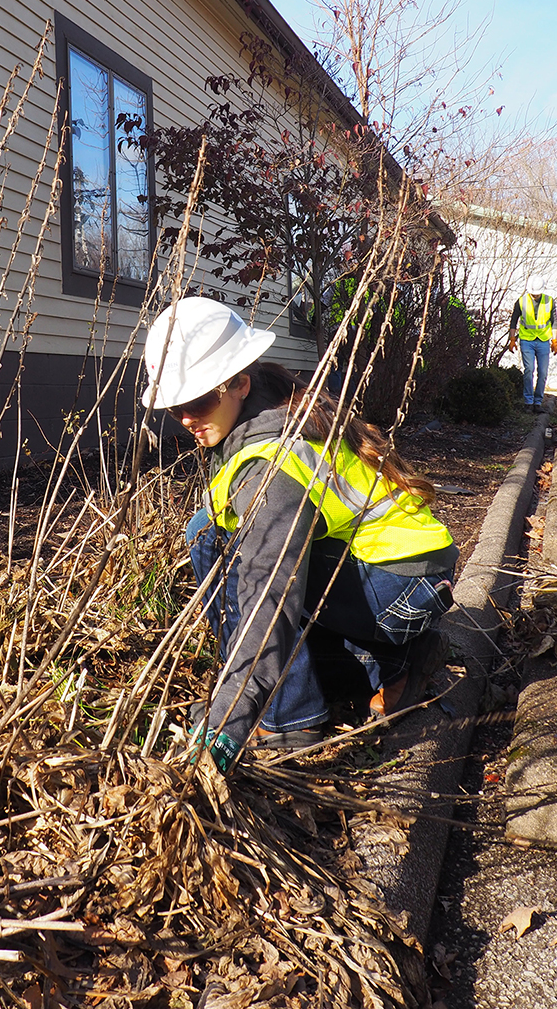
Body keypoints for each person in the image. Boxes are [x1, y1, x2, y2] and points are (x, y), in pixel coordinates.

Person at [142, 297, 458, 774]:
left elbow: (270, 593)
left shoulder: (272, 465)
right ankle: (394, 662)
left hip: (398, 583)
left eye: (199, 401)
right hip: (411, 573)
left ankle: (287, 719)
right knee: (210, 530)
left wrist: (232, 715)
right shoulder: (274, 403)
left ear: (239, 384)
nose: (186, 418)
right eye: (174, 409)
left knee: (214, 543)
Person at [508, 275, 557, 413]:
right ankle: (528, 402)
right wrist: (512, 339)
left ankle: (538, 403)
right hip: (526, 340)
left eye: (537, 293)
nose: (535, 295)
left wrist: (554, 340)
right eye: (533, 293)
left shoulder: (549, 301)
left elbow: (554, 322)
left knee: (542, 372)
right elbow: (513, 321)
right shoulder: (521, 301)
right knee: (529, 369)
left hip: (543, 340)